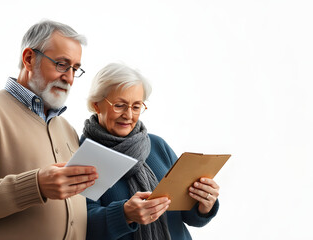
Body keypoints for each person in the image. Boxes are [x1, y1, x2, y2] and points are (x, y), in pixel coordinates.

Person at [0, 20, 99, 240]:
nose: (69, 78)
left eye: (75, 69)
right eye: (61, 64)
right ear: (29, 59)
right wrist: (36, 185)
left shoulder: (67, 129)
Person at [82, 63, 220, 240]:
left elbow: (188, 216)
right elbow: (79, 226)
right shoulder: (84, 155)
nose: (129, 115)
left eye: (136, 106)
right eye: (119, 105)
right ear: (96, 105)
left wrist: (204, 204)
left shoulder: (157, 145)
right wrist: (124, 214)